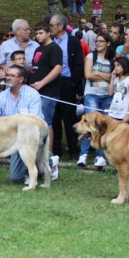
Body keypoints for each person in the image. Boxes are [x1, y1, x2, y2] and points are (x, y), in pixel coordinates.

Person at [0, 65, 60, 182]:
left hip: (31, 137)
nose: (8, 78)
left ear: (21, 79)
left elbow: (34, 121)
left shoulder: (32, 94)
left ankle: (48, 161)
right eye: (7, 75)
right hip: (13, 138)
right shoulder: (2, 96)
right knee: (16, 178)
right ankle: (38, 167)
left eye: (12, 76)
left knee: (37, 167)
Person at [49, 14, 84, 160]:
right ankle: (56, 150)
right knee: (54, 117)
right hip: (52, 83)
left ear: (60, 26)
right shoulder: (49, 41)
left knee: (69, 118)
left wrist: (74, 83)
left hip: (67, 83)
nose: (49, 28)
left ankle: (73, 148)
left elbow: (78, 63)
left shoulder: (73, 41)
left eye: (51, 25)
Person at [78, 33, 114, 168]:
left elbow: (113, 77)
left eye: (101, 41)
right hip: (92, 94)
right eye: (96, 41)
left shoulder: (112, 58)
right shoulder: (90, 56)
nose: (98, 43)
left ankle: (100, 156)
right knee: (89, 124)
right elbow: (88, 74)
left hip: (107, 95)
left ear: (108, 43)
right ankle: (84, 154)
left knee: (102, 126)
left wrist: (97, 73)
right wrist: (106, 76)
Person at [28, 21, 63, 149]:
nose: (38, 36)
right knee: (35, 122)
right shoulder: (38, 48)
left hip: (48, 92)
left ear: (49, 33)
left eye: (41, 33)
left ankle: (48, 152)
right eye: (36, 33)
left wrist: (42, 82)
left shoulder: (54, 48)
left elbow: (58, 68)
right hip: (34, 91)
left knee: (46, 122)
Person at [108, 56, 129, 122]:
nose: (116, 67)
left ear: (124, 65)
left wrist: (128, 113)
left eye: (118, 65)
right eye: (115, 66)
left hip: (124, 113)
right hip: (113, 113)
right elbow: (110, 93)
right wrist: (112, 78)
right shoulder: (115, 79)